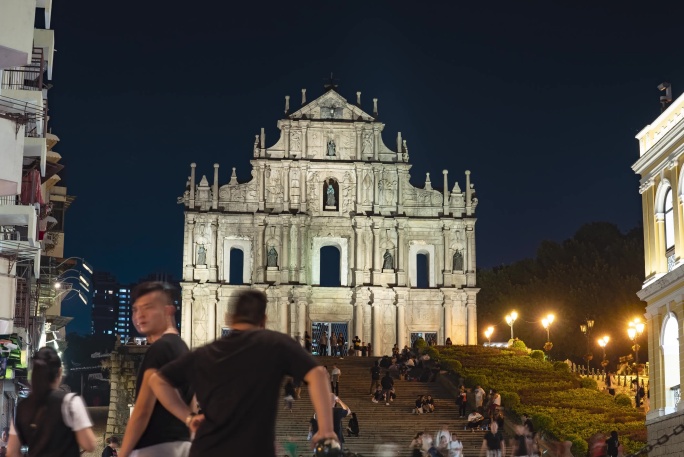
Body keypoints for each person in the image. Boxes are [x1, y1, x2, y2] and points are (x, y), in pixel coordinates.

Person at [147, 290, 336, 457]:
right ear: (263, 319)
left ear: (230, 318)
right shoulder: (275, 344)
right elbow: (317, 374)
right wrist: (326, 429)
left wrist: (188, 417)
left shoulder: (206, 352)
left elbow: (157, 381)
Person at [118, 282, 194, 457]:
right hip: (182, 446)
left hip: (153, 448)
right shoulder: (183, 348)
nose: (139, 315)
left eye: (148, 307)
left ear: (169, 311)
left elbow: (142, 411)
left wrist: (123, 454)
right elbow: (192, 403)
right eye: (135, 309)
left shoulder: (159, 349)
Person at [7, 347, 97, 457]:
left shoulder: (20, 408)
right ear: (59, 372)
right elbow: (89, 445)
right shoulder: (70, 402)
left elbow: (12, 452)